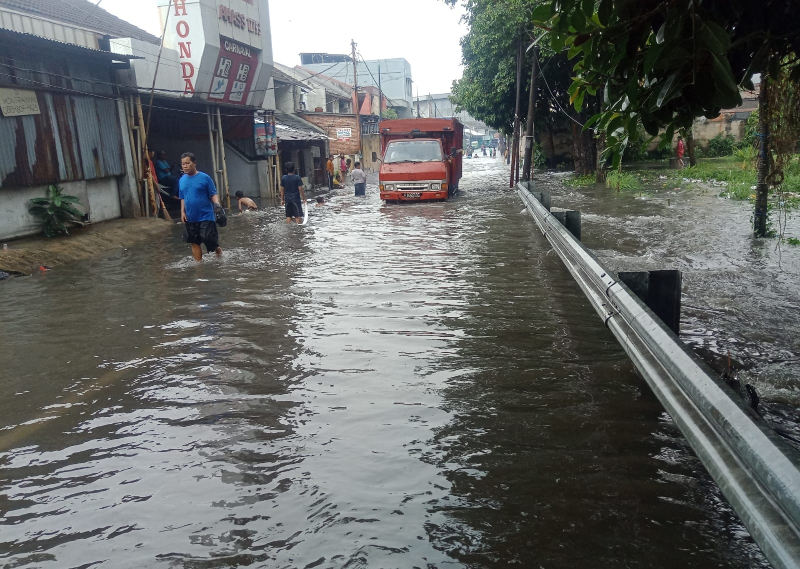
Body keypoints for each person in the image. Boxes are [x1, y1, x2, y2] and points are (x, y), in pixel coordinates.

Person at [179, 152, 222, 261]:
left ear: (194, 163)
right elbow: (182, 197)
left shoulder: (205, 178)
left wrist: (217, 205)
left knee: (207, 238)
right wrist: (182, 212)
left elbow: (213, 193)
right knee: (194, 241)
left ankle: (217, 250)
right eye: (183, 164)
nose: (185, 166)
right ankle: (198, 266)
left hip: (206, 215)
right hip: (190, 216)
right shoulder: (182, 180)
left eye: (187, 163)